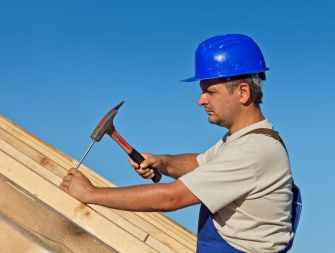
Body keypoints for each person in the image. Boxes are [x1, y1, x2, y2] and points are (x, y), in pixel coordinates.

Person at [60, 34, 300, 252]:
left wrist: (90, 193)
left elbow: (170, 198)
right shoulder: (242, 139)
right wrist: (162, 162)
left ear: (243, 92)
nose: (200, 100)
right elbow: (200, 164)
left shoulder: (253, 151)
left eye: (210, 91)